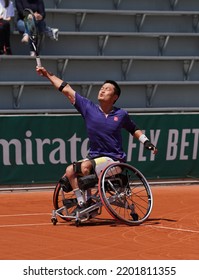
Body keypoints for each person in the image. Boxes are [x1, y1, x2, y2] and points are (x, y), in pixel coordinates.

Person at [36, 65, 158, 213]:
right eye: (102, 88)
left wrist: (146, 142)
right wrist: (48, 75)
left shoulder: (121, 114)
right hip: (94, 158)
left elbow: (134, 129)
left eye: (107, 89)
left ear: (115, 97)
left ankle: (85, 204)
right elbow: (66, 89)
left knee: (85, 167)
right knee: (69, 171)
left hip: (114, 161)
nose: (102, 90)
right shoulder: (88, 108)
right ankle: (82, 202)